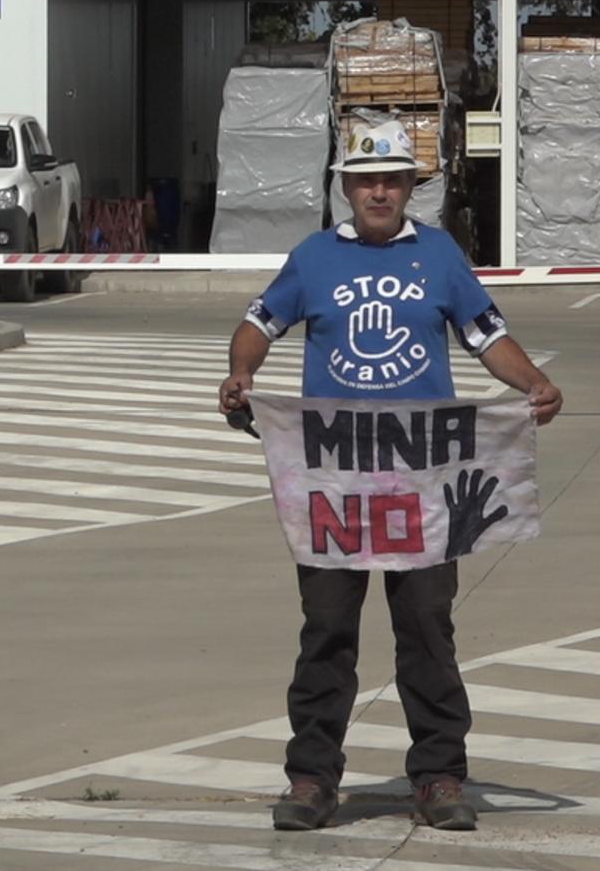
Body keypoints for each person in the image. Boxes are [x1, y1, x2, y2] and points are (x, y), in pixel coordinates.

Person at [217, 117, 562, 833]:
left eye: (394, 179)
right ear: (346, 185)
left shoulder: (438, 256)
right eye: (367, 178)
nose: (380, 190)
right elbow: (258, 322)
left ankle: (438, 775)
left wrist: (533, 382)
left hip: (425, 483)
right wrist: (242, 370)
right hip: (336, 484)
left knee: (428, 630)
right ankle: (312, 777)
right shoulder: (312, 258)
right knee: (327, 629)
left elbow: (485, 335)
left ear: (411, 187)